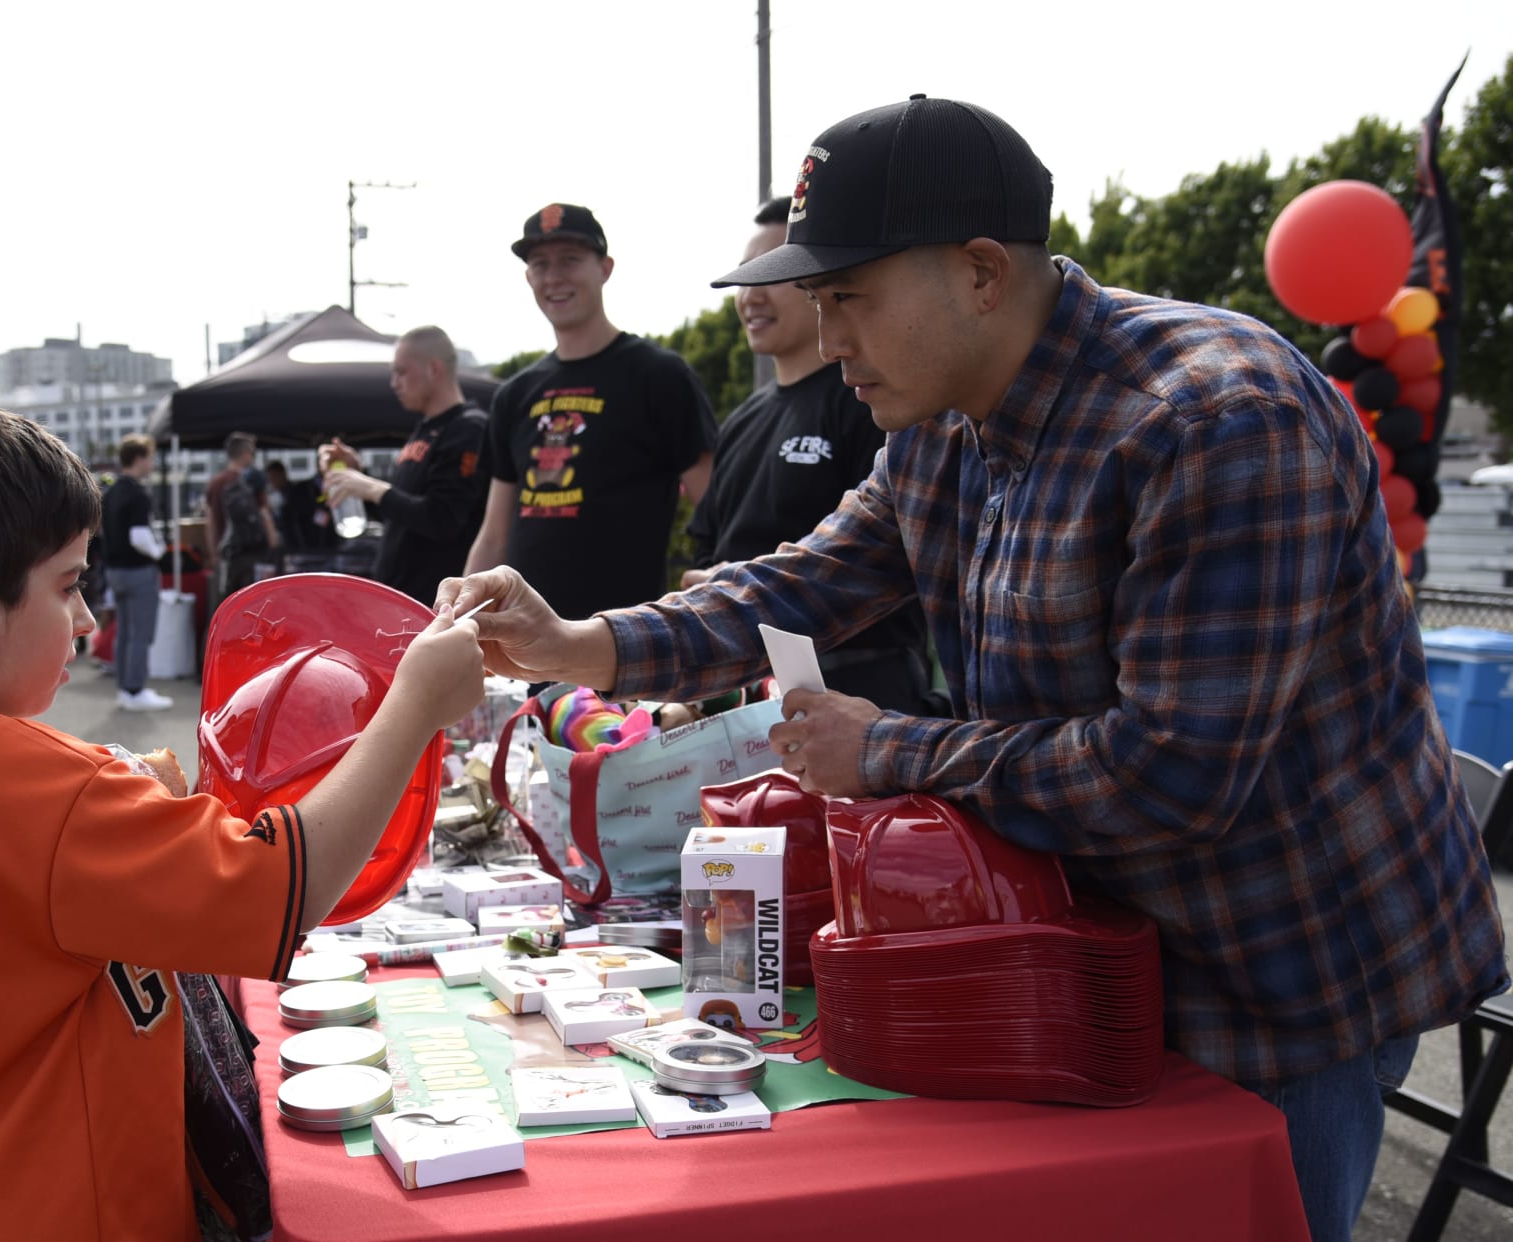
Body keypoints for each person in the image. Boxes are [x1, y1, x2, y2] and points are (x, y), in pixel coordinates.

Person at [438, 97, 1508, 1242]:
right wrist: (579, 643)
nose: (828, 334)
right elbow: (801, 580)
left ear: (984, 272)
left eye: (850, 296)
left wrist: (884, 747)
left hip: (1280, 974)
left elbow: (1173, 776)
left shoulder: (1215, 420)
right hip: (1095, 951)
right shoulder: (947, 423)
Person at [0, 378, 486, 1240]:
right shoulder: (41, 789)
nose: (83, 619)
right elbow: (283, 888)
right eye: (67, 585)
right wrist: (414, 704)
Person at [682, 202, 940, 714]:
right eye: (747, 277)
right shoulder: (740, 421)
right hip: (743, 696)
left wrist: (743, 584)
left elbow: (894, 560)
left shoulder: (873, 402)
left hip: (860, 702)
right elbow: (707, 554)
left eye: (774, 275)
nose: (751, 296)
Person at [463, 203, 717, 620]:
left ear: (606, 268)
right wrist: (459, 623)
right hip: (524, 643)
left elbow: (714, 508)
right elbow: (493, 535)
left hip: (623, 648)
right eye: (540, 265)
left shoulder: (659, 375)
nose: (554, 277)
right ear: (528, 278)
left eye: (570, 260)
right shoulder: (515, 394)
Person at [320, 325, 492, 606]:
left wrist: (372, 488)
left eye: (401, 372)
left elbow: (443, 519)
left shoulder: (468, 428)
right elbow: (402, 511)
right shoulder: (425, 429)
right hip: (401, 599)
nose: (394, 383)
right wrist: (360, 476)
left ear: (434, 370)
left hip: (435, 605)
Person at [101, 433, 172, 710]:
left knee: (125, 633)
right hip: (139, 571)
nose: (151, 463)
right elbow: (139, 536)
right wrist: (158, 552)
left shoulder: (111, 491)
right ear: (140, 458)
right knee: (141, 633)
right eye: (150, 458)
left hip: (115, 571)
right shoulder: (138, 494)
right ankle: (135, 690)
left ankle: (125, 689)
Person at [204, 430, 271, 610]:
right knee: (253, 608)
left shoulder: (216, 483)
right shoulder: (253, 481)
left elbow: (210, 522)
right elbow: (265, 515)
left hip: (226, 557)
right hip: (252, 555)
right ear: (245, 453)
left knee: (225, 609)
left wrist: (213, 555)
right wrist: (273, 545)